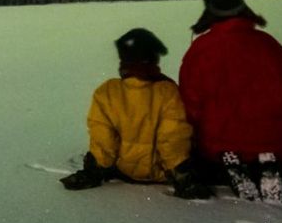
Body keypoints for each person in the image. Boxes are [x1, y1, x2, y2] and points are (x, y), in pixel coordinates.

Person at [179, 0, 282, 202]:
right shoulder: (269, 45)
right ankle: (267, 157)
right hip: (274, 138)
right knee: (263, 139)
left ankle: (231, 157)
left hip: (217, 141)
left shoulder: (201, 49)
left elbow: (190, 102)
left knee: (217, 141)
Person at [60, 27, 209, 198]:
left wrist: (95, 169)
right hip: (161, 174)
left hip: (125, 170)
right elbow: (173, 139)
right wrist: (183, 177)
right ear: (153, 59)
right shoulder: (167, 91)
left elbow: (104, 140)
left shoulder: (107, 91)